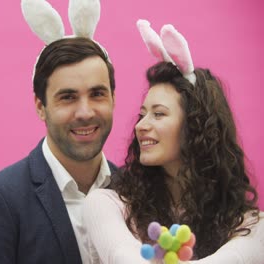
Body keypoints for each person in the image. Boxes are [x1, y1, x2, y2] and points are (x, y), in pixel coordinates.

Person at [82, 20, 263, 264]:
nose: (141, 125)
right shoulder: (106, 205)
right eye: (142, 114)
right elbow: (121, 256)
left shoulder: (252, 225)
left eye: (158, 114)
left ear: (194, 126)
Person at [0, 0, 118, 262]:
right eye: (67, 97)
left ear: (113, 97)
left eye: (97, 94)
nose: (85, 112)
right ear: (40, 106)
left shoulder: (137, 190)